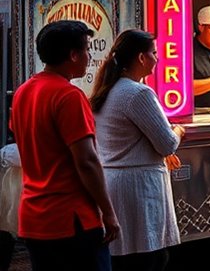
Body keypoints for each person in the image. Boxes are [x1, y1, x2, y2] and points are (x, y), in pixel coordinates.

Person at [9, 20, 120, 270]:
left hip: (34, 217)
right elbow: (87, 161)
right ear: (73, 55)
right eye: (86, 49)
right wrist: (109, 212)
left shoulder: (23, 92)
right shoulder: (69, 96)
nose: (89, 56)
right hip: (72, 219)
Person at [91, 30, 185, 271]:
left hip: (114, 183)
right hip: (138, 190)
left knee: (123, 259)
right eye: (154, 53)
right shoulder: (138, 93)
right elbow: (166, 143)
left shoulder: (108, 89)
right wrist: (178, 131)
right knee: (148, 258)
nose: (157, 58)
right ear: (141, 58)